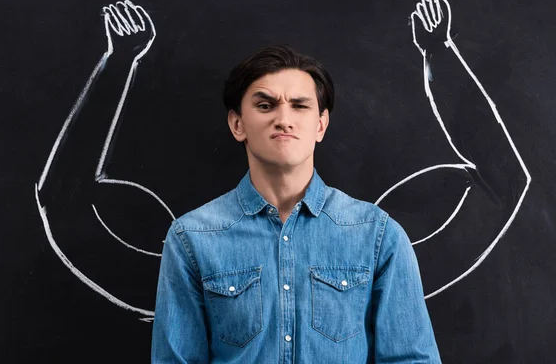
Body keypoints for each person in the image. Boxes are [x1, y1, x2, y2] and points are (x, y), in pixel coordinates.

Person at [151, 44, 441, 363]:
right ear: (238, 124)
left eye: (300, 106)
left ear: (320, 124)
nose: (284, 119)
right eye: (266, 105)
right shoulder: (192, 238)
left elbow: (411, 359)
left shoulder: (376, 235)